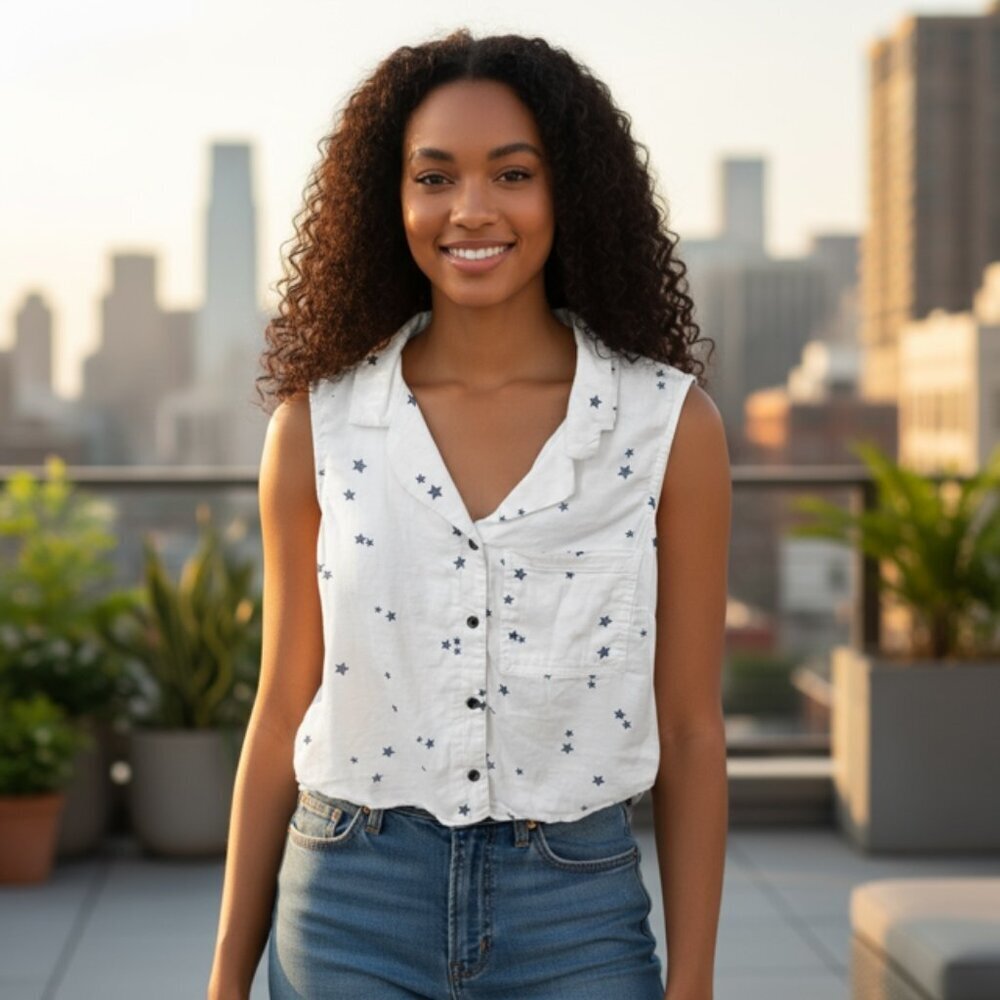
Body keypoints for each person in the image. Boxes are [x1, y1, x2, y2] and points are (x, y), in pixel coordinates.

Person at [208, 28, 730, 1000]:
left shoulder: (667, 426)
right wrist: (224, 979)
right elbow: (281, 705)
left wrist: (692, 982)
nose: (471, 209)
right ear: (391, 198)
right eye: (435, 176)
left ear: (568, 191)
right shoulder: (315, 426)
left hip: (576, 915)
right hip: (348, 903)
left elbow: (693, 728)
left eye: (513, 173)